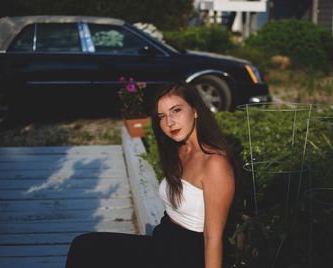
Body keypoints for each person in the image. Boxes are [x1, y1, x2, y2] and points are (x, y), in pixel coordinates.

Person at [65, 81, 236, 268]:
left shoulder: (215, 164)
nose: (169, 122)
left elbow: (213, 237)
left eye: (176, 110)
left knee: (87, 252)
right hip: (162, 242)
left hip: (186, 255)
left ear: (195, 110)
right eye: (162, 116)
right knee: (84, 246)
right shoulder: (179, 150)